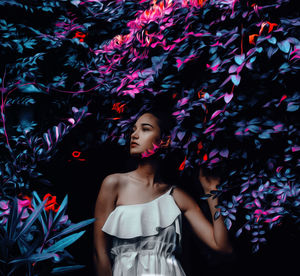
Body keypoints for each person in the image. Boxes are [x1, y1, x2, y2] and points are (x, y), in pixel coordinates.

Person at [93, 108, 233, 276]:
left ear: (165, 141)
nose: (134, 135)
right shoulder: (114, 184)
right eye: (134, 130)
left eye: (145, 129)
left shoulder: (177, 196)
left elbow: (222, 247)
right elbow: (99, 254)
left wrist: (212, 190)